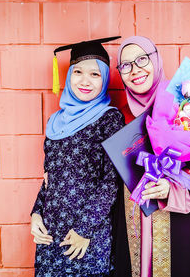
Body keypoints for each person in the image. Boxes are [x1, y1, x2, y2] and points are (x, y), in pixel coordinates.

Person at [113, 36, 190, 277]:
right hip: (135, 228)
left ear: (156, 60)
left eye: (142, 59)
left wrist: (174, 189)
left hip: (182, 226)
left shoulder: (187, 103)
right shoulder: (120, 117)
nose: (135, 70)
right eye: (125, 65)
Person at [30, 36, 125, 277]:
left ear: (105, 79)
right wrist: (36, 214)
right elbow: (49, 178)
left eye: (95, 74)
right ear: (69, 75)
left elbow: (111, 182)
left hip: (87, 238)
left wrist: (85, 230)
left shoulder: (109, 119)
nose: (85, 81)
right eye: (78, 72)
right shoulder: (55, 122)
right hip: (50, 234)